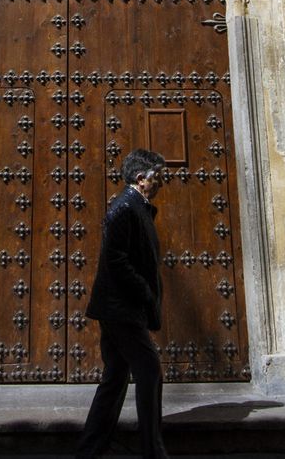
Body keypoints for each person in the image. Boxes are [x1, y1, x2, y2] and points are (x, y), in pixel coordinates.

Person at [75, 148, 168, 459]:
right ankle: (152, 450)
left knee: (115, 375)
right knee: (150, 369)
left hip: (118, 307)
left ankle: (91, 447)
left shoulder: (135, 206)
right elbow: (115, 260)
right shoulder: (125, 208)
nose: (161, 183)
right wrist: (143, 291)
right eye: (158, 177)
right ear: (141, 179)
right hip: (121, 308)